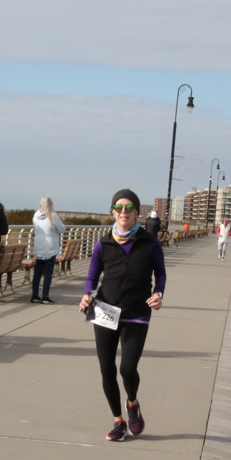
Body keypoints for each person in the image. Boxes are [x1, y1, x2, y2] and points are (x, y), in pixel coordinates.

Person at [80, 189, 166, 442]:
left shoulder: (149, 242)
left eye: (129, 208)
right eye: (119, 207)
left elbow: (160, 273)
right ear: (113, 212)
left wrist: (158, 293)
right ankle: (118, 421)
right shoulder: (103, 243)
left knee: (127, 368)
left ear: (137, 212)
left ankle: (132, 402)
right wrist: (88, 294)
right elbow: (92, 276)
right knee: (106, 368)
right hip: (104, 309)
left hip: (137, 311)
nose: (123, 212)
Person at [31, 196, 66, 304]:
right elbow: (62, 229)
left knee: (37, 273)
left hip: (39, 246)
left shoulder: (36, 215)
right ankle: (45, 296)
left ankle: (35, 295)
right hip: (50, 247)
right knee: (48, 273)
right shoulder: (53, 216)